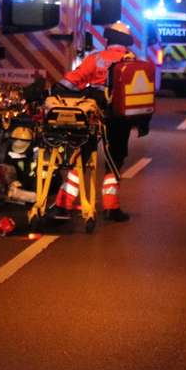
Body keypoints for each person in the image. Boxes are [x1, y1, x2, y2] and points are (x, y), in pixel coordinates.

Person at [54, 21, 149, 222]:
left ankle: (64, 205)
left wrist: (52, 91)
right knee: (115, 160)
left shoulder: (95, 58)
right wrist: (142, 122)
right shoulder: (131, 62)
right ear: (126, 42)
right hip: (118, 119)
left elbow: (71, 81)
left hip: (93, 113)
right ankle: (110, 207)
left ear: (109, 39)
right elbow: (141, 96)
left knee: (80, 157)